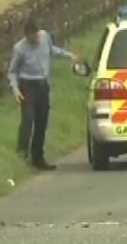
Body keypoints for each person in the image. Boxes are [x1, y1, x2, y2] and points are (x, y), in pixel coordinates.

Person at [8, 18, 81, 171]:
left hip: (42, 85)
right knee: (28, 120)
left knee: (42, 121)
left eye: (37, 35)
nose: (37, 39)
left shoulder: (44, 37)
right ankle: (22, 154)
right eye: (33, 36)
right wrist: (15, 89)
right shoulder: (20, 49)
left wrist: (69, 56)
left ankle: (38, 157)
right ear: (27, 35)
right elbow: (13, 71)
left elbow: (52, 50)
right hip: (27, 85)